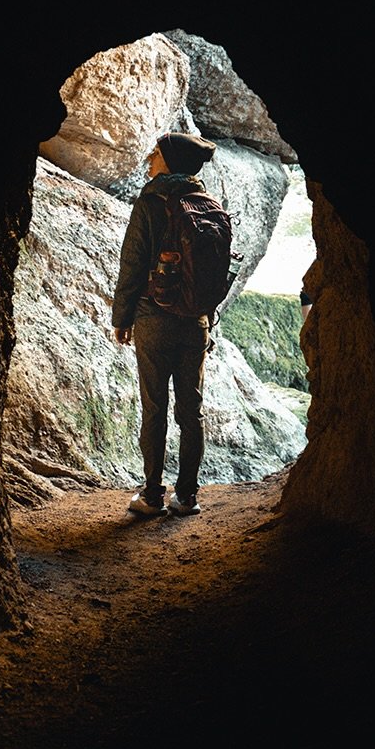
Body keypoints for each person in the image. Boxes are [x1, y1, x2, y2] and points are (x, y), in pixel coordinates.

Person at [112, 130, 218, 517]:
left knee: (154, 407)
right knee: (192, 410)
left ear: (169, 161)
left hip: (153, 318)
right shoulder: (206, 202)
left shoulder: (151, 202)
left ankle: (152, 495)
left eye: (156, 154)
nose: (150, 160)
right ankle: (187, 496)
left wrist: (121, 317)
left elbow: (133, 263)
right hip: (195, 321)